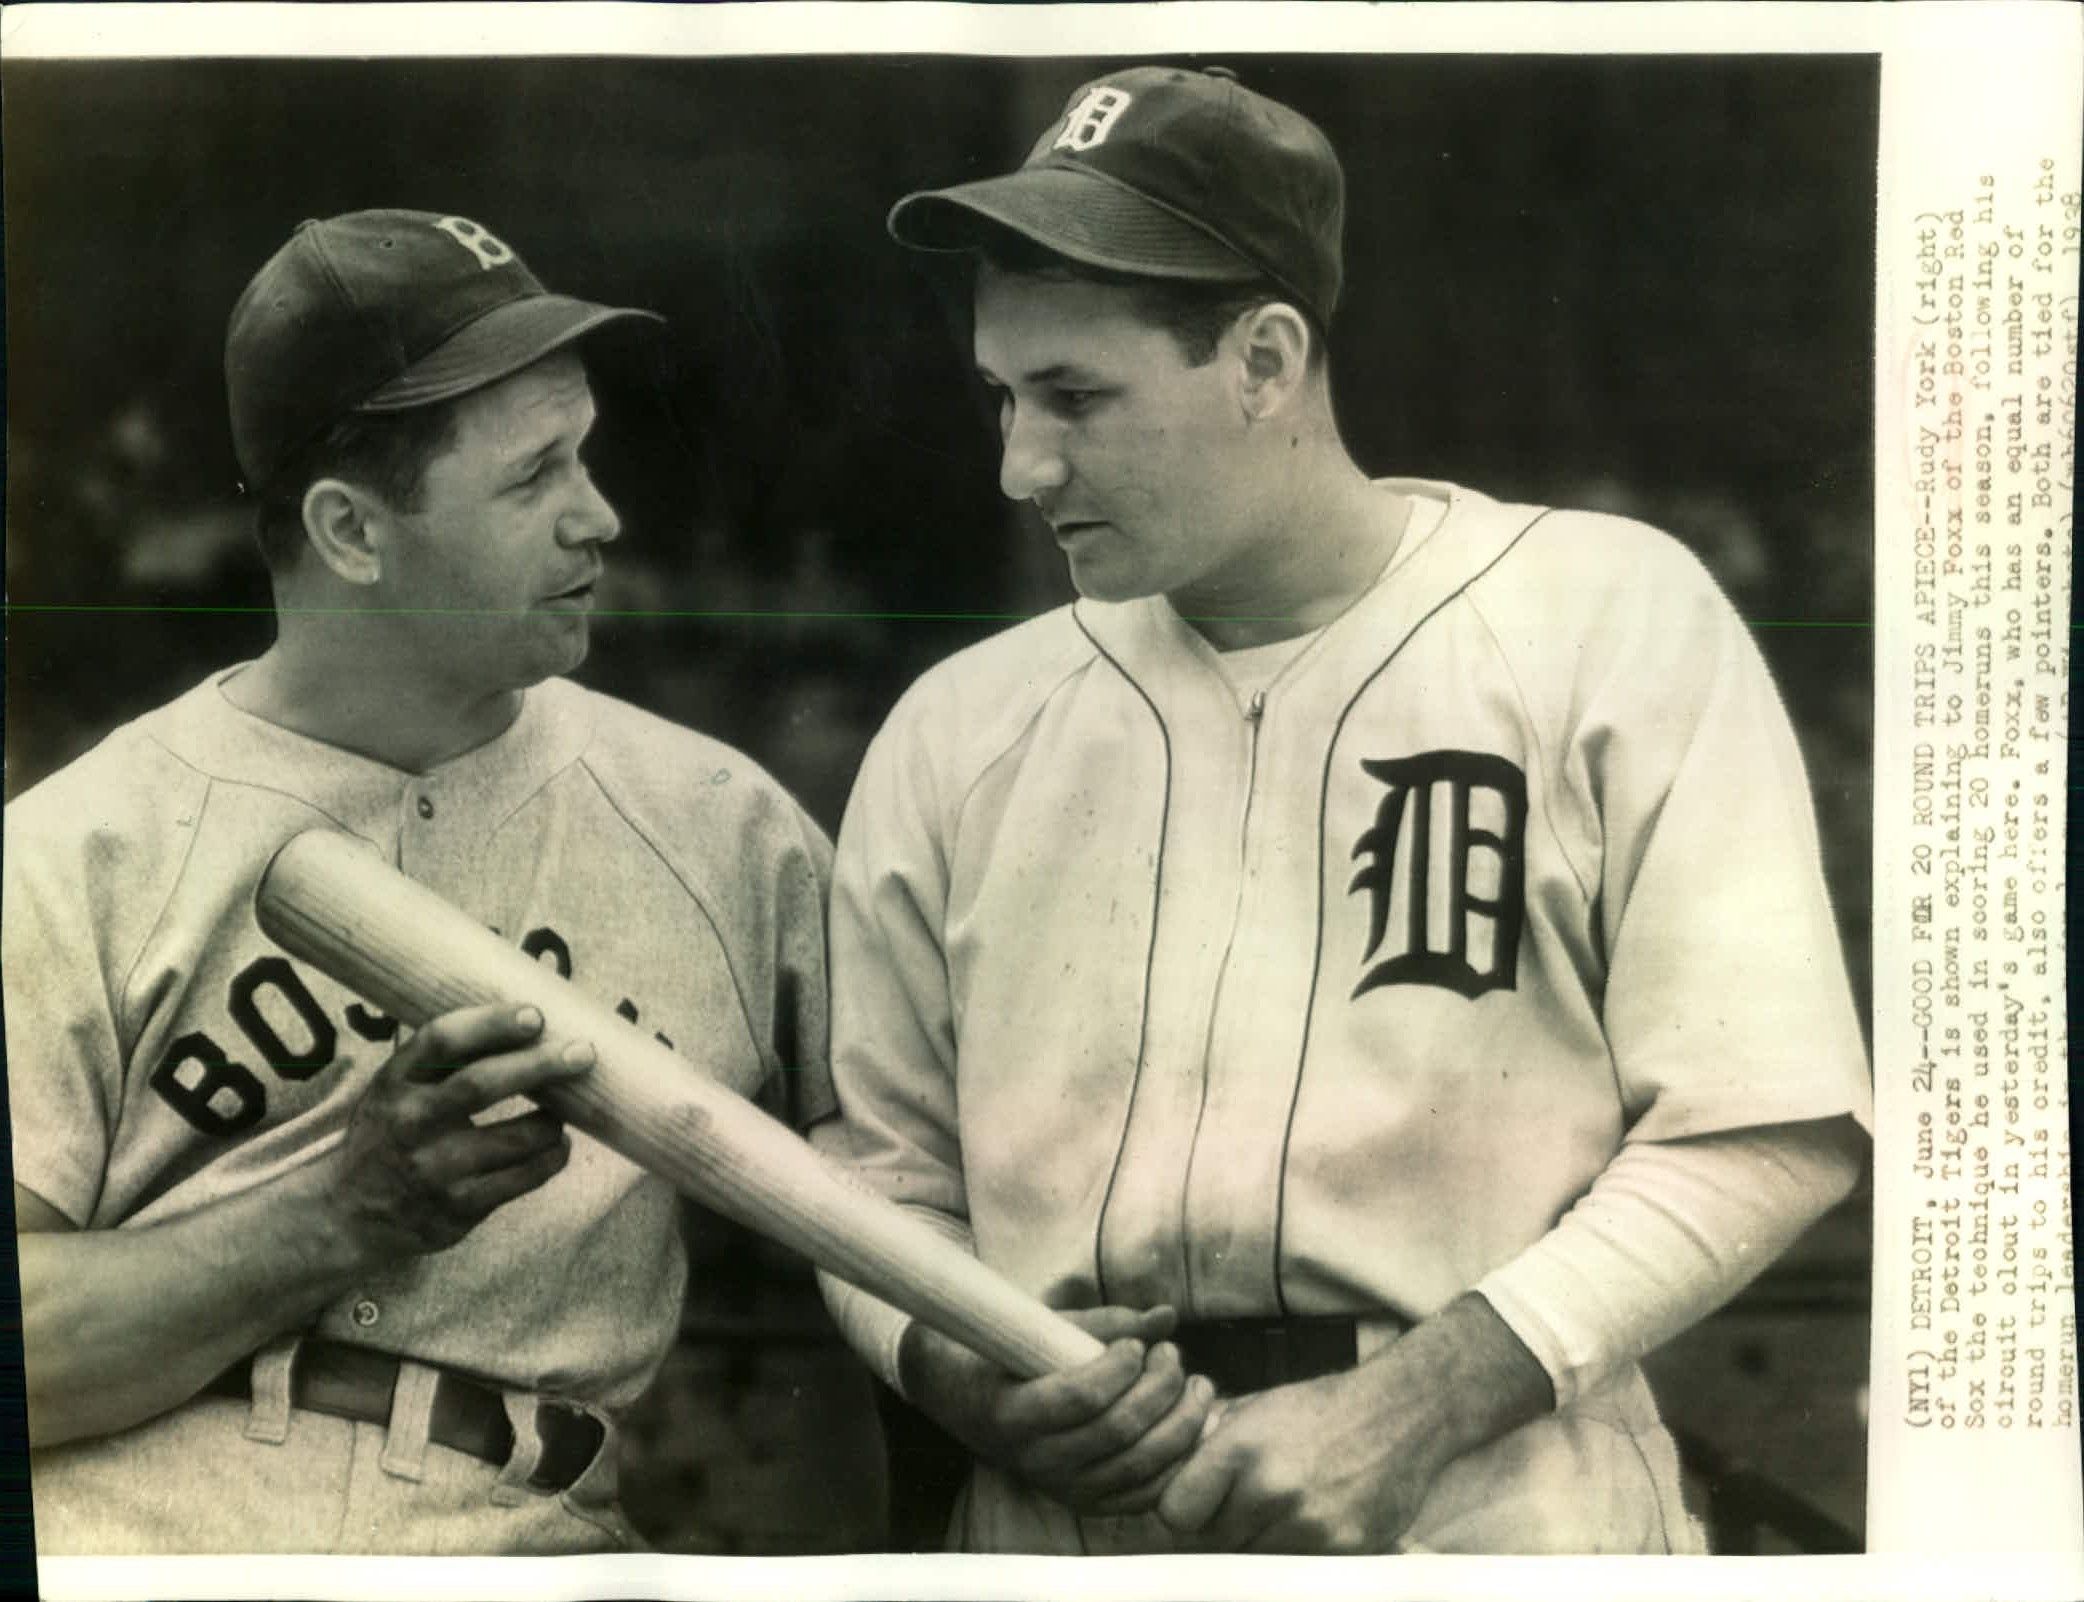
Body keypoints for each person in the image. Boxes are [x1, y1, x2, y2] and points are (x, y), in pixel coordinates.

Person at [810, 65, 1873, 1554]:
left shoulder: (1602, 616)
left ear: (1263, 359)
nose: (1021, 466)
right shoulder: (962, 727)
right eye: (1001, 394)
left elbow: (1769, 1118)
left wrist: (1420, 1401)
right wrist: (948, 1358)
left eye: (1075, 398)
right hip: (1071, 1515)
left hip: (1490, 1497)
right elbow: (875, 1174)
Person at [4, 209, 834, 1555]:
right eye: (534, 475)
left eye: (587, 453)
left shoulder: (729, 829)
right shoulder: (76, 852)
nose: (600, 515)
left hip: (520, 1528)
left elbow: (902, 1184)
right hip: (138, 1525)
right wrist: (333, 1214)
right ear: (350, 529)